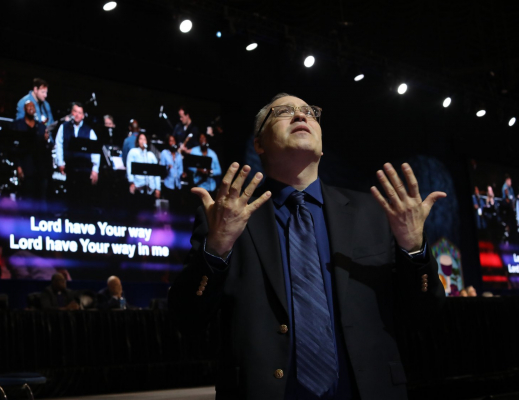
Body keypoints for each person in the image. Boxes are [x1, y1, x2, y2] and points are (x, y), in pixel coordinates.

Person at [169, 93, 446, 399]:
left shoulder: (376, 214)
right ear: (259, 144)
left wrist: (414, 249)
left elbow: (424, 315)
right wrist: (217, 247)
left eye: (309, 112)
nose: (301, 116)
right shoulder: (225, 218)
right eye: (284, 112)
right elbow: (187, 319)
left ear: (322, 144)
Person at [54, 102, 100, 198]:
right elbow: (59, 145)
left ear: (83, 116)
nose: (77, 115)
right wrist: (60, 162)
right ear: (71, 113)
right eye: (75, 111)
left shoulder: (89, 131)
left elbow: (95, 151)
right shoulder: (64, 127)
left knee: (83, 196)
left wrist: (95, 170)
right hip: (70, 167)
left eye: (80, 113)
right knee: (70, 195)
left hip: (85, 169)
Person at [10, 101, 53, 200]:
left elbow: (48, 146)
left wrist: (47, 140)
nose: (31, 108)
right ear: (24, 109)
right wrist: (18, 166)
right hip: (26, 167)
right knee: (26, 196)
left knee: (40, 197)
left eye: (33, 106)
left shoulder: (41, 127)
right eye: (28, 106)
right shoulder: (17, 125)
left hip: (40, 169)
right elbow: (14, 148)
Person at [126, 132, 160, 199]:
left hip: (150, 188)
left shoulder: (151, 155)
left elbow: (157, 172)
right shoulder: (133, 152)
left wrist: (158, 188)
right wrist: (131, 182)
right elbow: (129, 168)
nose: (142, 141)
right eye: (140, 139)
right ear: (138, 141)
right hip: (137, 186)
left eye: (144, 139)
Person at [189, 133, 221, 197]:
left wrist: (209, 171)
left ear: (207, 140)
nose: (203, 140)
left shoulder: (212, 154)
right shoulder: (194, 151)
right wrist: (198, 170)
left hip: (210, 186)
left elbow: (219, 171)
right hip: (197, 184)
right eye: (201, 138)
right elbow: (189, 166)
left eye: (204, 138)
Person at [160, 134, 183, 202]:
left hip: (177, 184)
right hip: (168, 184)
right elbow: (162, 169)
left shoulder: (178, 155)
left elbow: (181, 169)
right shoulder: (164, 153)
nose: (172, 143)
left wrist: (181, 174)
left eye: (174, 141)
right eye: (170, 141)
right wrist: (168, 167)